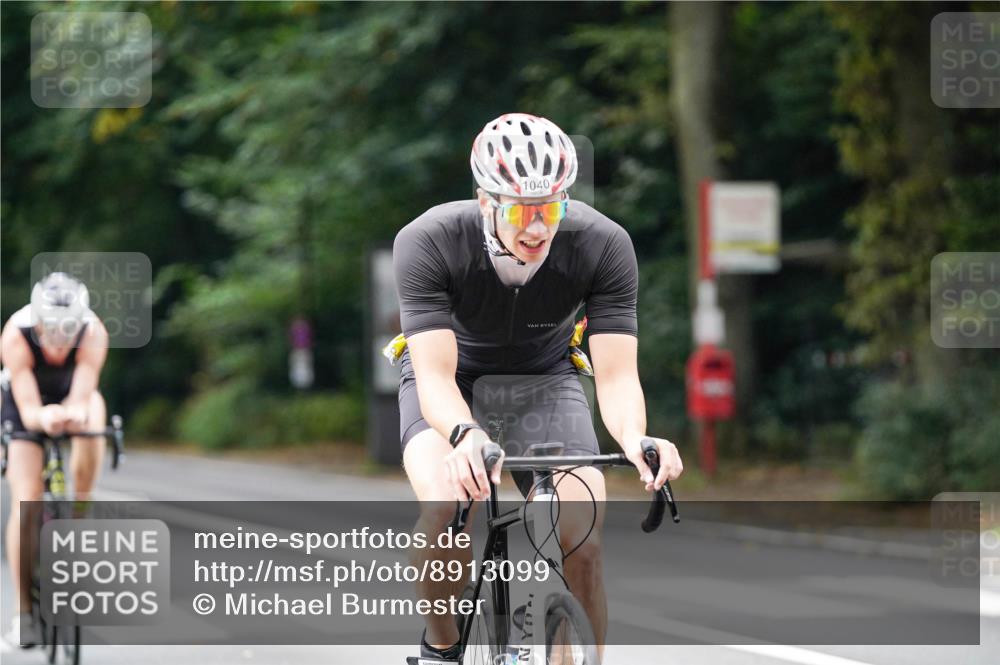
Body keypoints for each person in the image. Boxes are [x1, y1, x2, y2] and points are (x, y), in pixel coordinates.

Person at [392, 113, 683, 663]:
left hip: (546, 382)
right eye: (521, 210)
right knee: (447, 508)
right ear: (485, 202)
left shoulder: (603, 246)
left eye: (550, 208)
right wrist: (463, 435)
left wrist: (637, 437)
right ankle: (443, 647)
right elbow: (432, 374)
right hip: (452, 384)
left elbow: (617, 375)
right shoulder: (428, 240)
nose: (537, 228)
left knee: (584, 542)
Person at [0, 272, 109, 648]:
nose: (60, 340)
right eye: (52, 330)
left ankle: (80, 504)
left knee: (94, 413)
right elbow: (29, 411)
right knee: (26, 501)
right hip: (24, 400)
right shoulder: (16, 334)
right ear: (39, 321)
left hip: (69, 393)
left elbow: (83, 393)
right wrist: (44, 418)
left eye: (69, 330)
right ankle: (24, 613)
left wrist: (72, 414)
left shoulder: (93, 332)